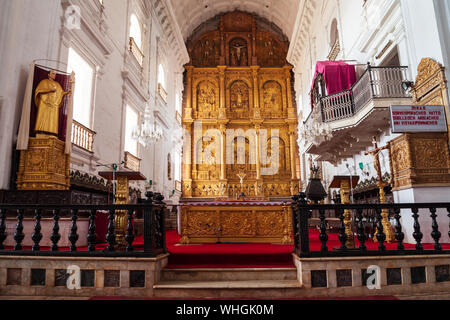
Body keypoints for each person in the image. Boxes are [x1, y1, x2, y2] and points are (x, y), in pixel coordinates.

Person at [34, 70, 71, 136]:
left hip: (54, 104)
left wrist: (67, 92)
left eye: (55, 74)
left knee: (52, 120)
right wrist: (49, 90)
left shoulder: (57, 84)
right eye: (53, 73)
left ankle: (52, 133)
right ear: (48, 74)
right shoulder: (44, 82)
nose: (54, 75)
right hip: (44, 103)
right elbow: (38, 91)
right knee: (43, 118)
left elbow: (61, 93)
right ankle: (40, 131)